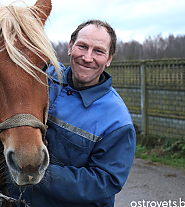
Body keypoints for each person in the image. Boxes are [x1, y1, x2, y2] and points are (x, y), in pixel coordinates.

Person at [7, 19, 136, 207]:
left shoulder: (117, 120)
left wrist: (37, 171)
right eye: (82, 46)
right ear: (70, 47)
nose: (87, 57)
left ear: (109, 59)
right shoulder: (45, 78)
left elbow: (105, 181)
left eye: (98, 51)